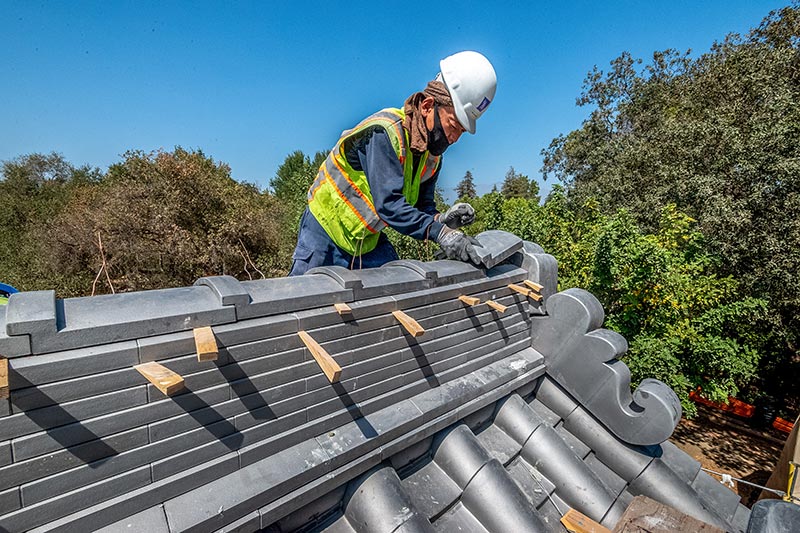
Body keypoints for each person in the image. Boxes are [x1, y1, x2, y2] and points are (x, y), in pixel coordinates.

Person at [288, 51, 497, 276]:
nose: (455, 138)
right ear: (427, 106)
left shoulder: (432, 157)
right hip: (324, 232)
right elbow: (389, 205)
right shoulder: (385, 132)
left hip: (366, 241)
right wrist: (440, 233)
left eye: (462, 132)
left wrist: (442, 220)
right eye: (453, 125)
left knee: (399, 287)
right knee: (304, 302)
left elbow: (422, 206)